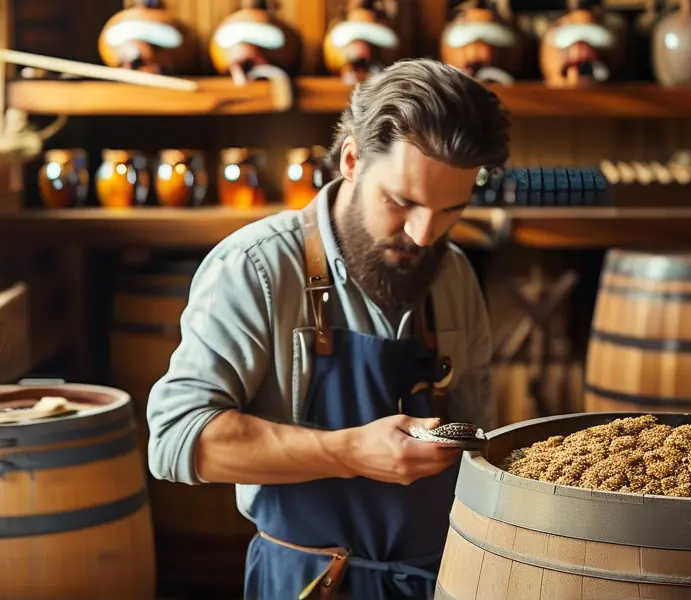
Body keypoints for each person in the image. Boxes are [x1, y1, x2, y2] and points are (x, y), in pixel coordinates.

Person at [146, 57, 510, 600]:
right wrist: (349, 451)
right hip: (309, 583)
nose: (424, 234)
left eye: (450, 209)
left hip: (442, 580)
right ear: (352, 160)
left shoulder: (453, 272)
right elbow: (177, 440)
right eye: (402, 201)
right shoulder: (256, 268)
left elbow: (479, 438)